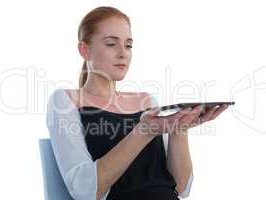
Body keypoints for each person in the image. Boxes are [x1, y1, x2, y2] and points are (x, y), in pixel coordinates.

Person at [46, 6, 229, 200]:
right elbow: (84, 191)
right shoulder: (66, 100)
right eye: (111, 44)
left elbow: (181, 188)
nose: (122, 53)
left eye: (128, 45)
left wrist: (179, 129)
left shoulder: (146, 100)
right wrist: (144, 132)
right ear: (84, 49)